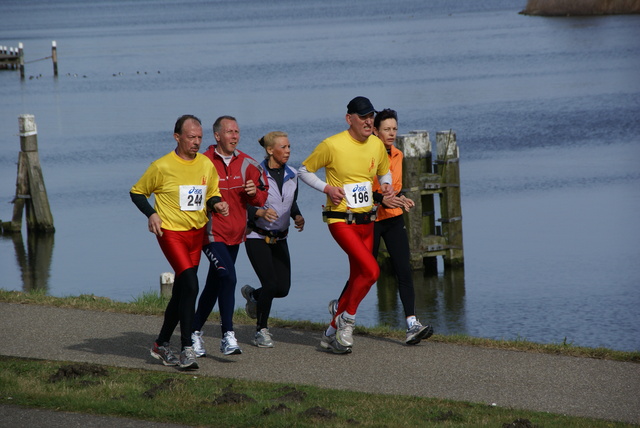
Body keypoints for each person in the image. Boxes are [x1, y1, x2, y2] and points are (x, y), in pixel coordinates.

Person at [130, 114, 227, 370]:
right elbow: (137, 192)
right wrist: (151, 213)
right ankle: (186, 349)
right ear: (177, 137)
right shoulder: (162, 166)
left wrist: (218, 203)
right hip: (172, 233)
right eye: (191, 137)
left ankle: (161, 344)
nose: (196, 142)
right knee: (192, 285)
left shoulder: (206, 164)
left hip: (197, 234)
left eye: (199, 138)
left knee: (182, 291)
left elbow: (211, 194)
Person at [329, 109, 434, 345]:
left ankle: (411, 325)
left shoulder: (397, 154)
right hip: (370, 220)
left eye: (395, 129)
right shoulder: (367, 153)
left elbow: (394, 187)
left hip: (394, 219)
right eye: (387, 129)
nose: (392, 133)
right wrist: (380, 199)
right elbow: (360, 188)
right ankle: (339, 308)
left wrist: (403, 197)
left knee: (404, 270)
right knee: (363, 272)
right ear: (375, 130)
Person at [298, 96, 394, 354]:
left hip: (367, 221)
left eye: (370, 116)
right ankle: (347, 320)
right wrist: (326, 187)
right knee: (372, 271)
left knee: (358, 277)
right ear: (348, 118)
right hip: (341, 220)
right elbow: (304, 170)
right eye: (362, 116)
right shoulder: (332, 144)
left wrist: (386, 183)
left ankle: (331, 332)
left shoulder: (375, 143)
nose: (368, 121)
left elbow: (384, 170)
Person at [191, 115, 268, 357]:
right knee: (229, 278)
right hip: (210, 234)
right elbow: (189, 197)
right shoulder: (201, 163)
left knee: (215, 284)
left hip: (236, 235)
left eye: (237, 132)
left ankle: (193, 333)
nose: (235, 136)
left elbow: (262, 197)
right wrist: (211, 204)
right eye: (229, 132)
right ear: (217, 136)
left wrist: (254, 194)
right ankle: (228, 335)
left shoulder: (248, 164)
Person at [240, 131, 305, 348]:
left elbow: (290, 202)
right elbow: (242, 205)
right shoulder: (255, 174)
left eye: (289, 147)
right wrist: (259, 213)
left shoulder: (293, 174)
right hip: (256, 236)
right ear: (270, 150)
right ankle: (261, 330)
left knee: (282, 289)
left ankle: (254, 296)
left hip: (281, 238)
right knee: (270, 283)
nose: (287, 151)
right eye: (283, 147)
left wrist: (297, 216)